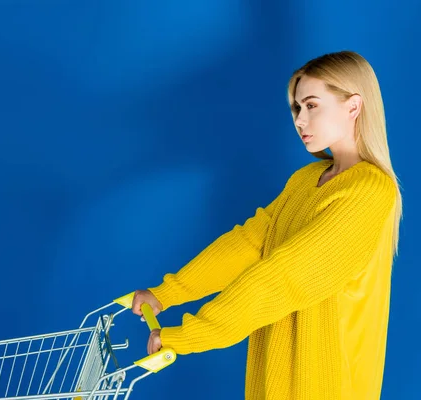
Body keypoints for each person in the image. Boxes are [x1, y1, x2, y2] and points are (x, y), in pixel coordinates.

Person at [131, 50, 403, 399]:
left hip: (324, 385)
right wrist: (166, 294)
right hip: (274, 378)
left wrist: (191, 334)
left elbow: (286, 276)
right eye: (296, 109)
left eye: (311, 105)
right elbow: (249, 243)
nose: (300, 120)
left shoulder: (369, 190)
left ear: (353, 106)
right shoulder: (307, 180)